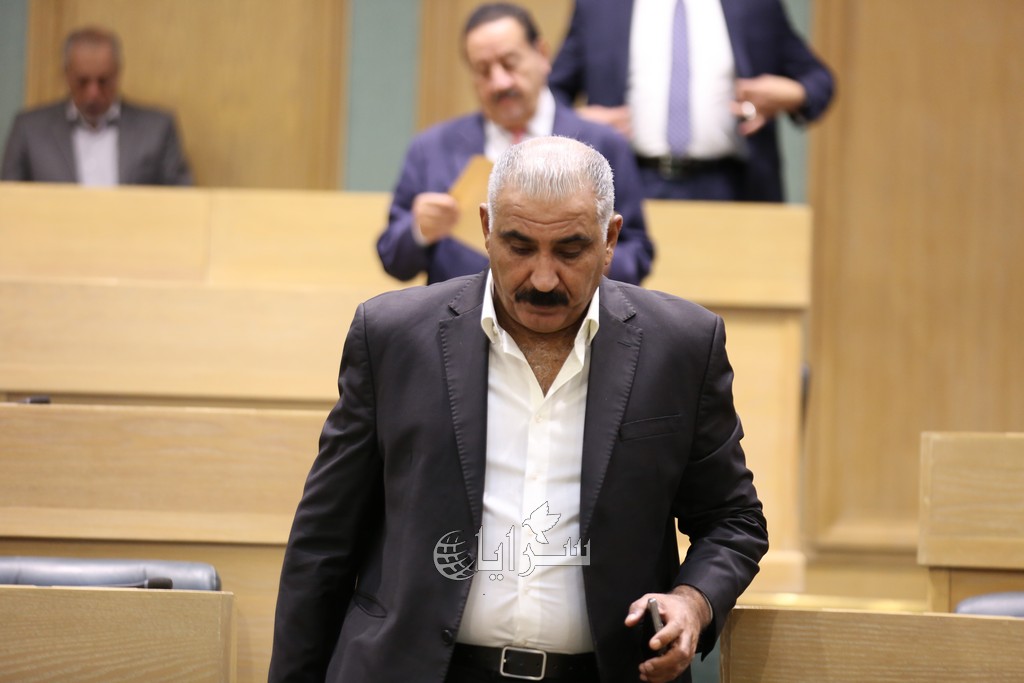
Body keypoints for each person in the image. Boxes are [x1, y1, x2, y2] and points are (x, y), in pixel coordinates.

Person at [270, 136, 767, 683]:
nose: (543, 278)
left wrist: (693, 600)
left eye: (571, 250)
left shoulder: (681, 346)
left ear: (610, 239)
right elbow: (323, 542)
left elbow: (732, 519)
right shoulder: (392, 336)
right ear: (486, 228)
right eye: (519, 246)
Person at [377, 3, 653, 286]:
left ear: (542, 54)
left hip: (572, 308)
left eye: (510, 63)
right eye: (483, 70)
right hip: (462, 310)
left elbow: (637, 257)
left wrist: (583, 255)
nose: (499, 82)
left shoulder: (603, 143)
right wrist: (419, 229)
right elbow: (391, 258)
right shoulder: (431, 148)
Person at [548, 0, 835, 202]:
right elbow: (550, 95)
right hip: (626, 181)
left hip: (730, 185)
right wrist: (581, 124)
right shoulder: (599, 6)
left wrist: (792, 94)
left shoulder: (755, 5)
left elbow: (819, 81)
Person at [1, 26, 192, 186]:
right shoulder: (29, 129)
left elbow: (183, 200)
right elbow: (8, 201)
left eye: (103, 81)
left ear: (117, 73)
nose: (93, 93)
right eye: (82, 81)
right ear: (66, 74)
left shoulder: (157, 129)